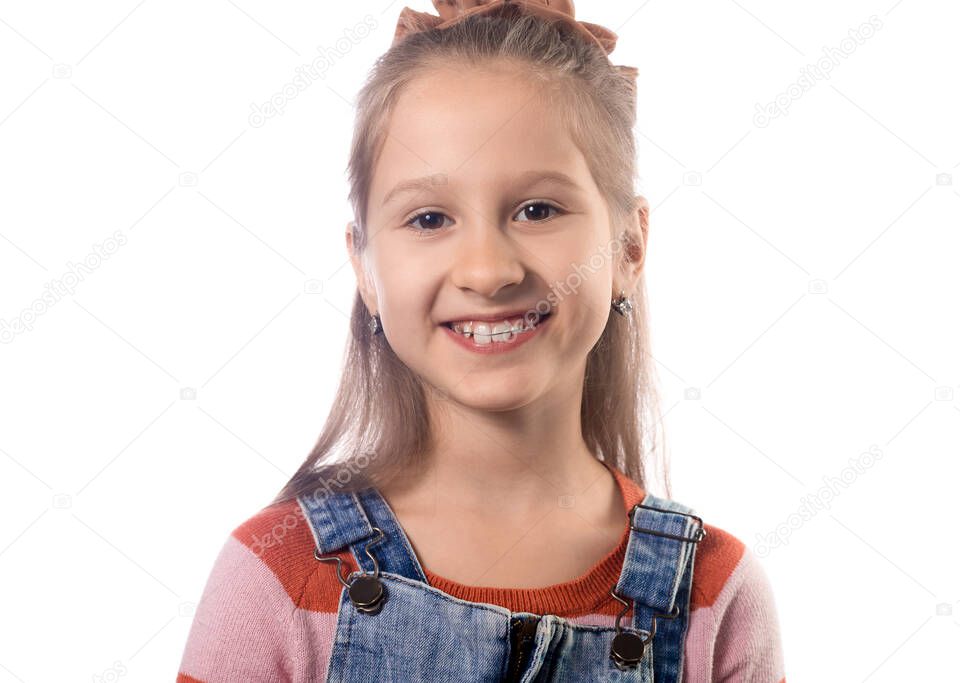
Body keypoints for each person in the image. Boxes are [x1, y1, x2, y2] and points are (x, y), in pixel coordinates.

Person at [177, 1, 785, 680]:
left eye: (537, 209)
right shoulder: (274, 577)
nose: (489, 270)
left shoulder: (715, 595)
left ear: (629, 246)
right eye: (430, 217)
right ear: (365, 268)